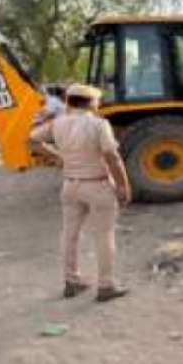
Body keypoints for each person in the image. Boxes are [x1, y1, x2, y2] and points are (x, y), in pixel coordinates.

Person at [29, 84, 132, 302]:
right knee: (103, 235)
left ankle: (72, 282)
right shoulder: (98, 124)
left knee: (69, 234)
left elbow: (31, 141)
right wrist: (123, 186)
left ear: (68, 102)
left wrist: (57, 156)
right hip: (97, 185)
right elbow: (112, 157)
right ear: (91, 102)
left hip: (70, 186)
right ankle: (106, 286)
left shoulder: (57, 123)